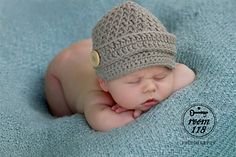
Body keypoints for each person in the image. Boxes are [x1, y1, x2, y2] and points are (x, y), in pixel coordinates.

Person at [44, 1, 195, 131]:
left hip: (100, 48)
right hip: (61, 69)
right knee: (60, 111)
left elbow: (187, 74)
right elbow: (103, 121)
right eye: (134, 81)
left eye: (159, 77)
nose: (150, 87)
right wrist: (133, 113)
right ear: (104, 83)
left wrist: (134, 105)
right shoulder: (96, 97)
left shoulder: (152, 66)